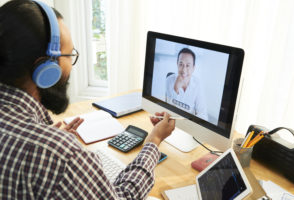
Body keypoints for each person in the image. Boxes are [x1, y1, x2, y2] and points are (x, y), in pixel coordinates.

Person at [0, 0, 175, 199]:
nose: (71, 65)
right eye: (69, 55)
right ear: (45, 70)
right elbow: (123, 196)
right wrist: (153, 141)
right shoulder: (61, 155)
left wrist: (46, 136)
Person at [165, 48, 208, 121]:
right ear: (177, 64)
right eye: (181, 64)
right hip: (172, 122)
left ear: (193, 68)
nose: (184, 70)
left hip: (190, 123)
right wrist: (176, 89)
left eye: (188, 65)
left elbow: (203, 114)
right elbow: (167, 111)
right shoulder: (169, 80)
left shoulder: (198, 84)